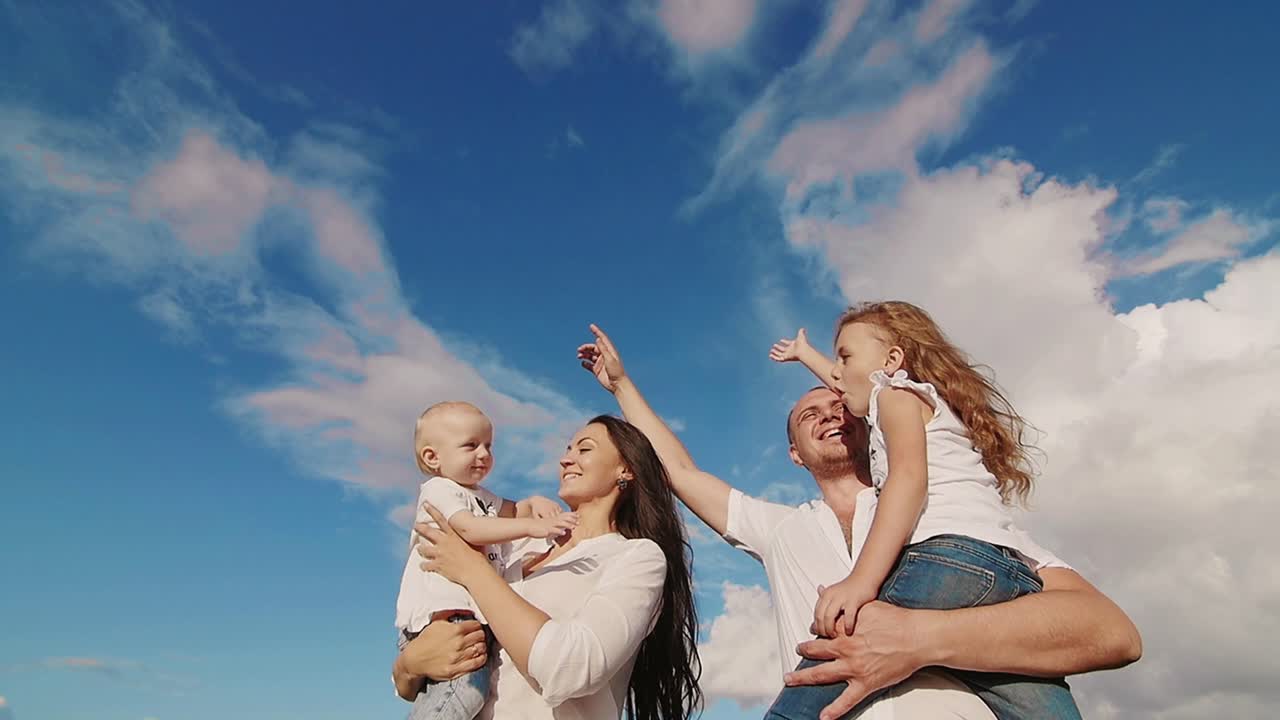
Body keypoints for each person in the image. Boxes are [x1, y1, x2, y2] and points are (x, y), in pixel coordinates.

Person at [578, 324, 1142, 720]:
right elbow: (678, 469)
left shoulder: (947, 520)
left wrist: (920, 639)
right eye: (807, 415)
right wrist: (622, 386)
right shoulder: (779, 529)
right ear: (794, 452)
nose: (827, 414)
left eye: (836, 405)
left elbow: (1113, 634)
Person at [764, 301, 1082, 718]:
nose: (837, 374)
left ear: (892, 361)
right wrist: (806, 356)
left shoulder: (895, 397)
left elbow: (908, 480)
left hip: (946, 560)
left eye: (845, 356)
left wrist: (861, 581)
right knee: (1034, 696)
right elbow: (850, 387)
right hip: (1007, 572)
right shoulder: (920, 402)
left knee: (826, 666)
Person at [394, 415, 703, 720]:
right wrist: (409, 666)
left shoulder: (636, 557)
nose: (566, 459)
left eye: (584, 449)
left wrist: (474, 571)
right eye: (567, 450)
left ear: (626, 469)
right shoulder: (516, 546)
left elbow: (573, 669)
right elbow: (426, 673)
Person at [395, 401, 580, 720]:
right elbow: (470, 527)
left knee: (461, 697)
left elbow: (512, 509)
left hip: (466, 614)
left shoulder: (481, 496)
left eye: (488, 445)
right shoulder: (439, 489)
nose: (484, 454)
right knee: (462, 694)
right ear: (432, 457)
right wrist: (533, 526)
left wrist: (532, 503)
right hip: (443, 616)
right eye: (471, 445)